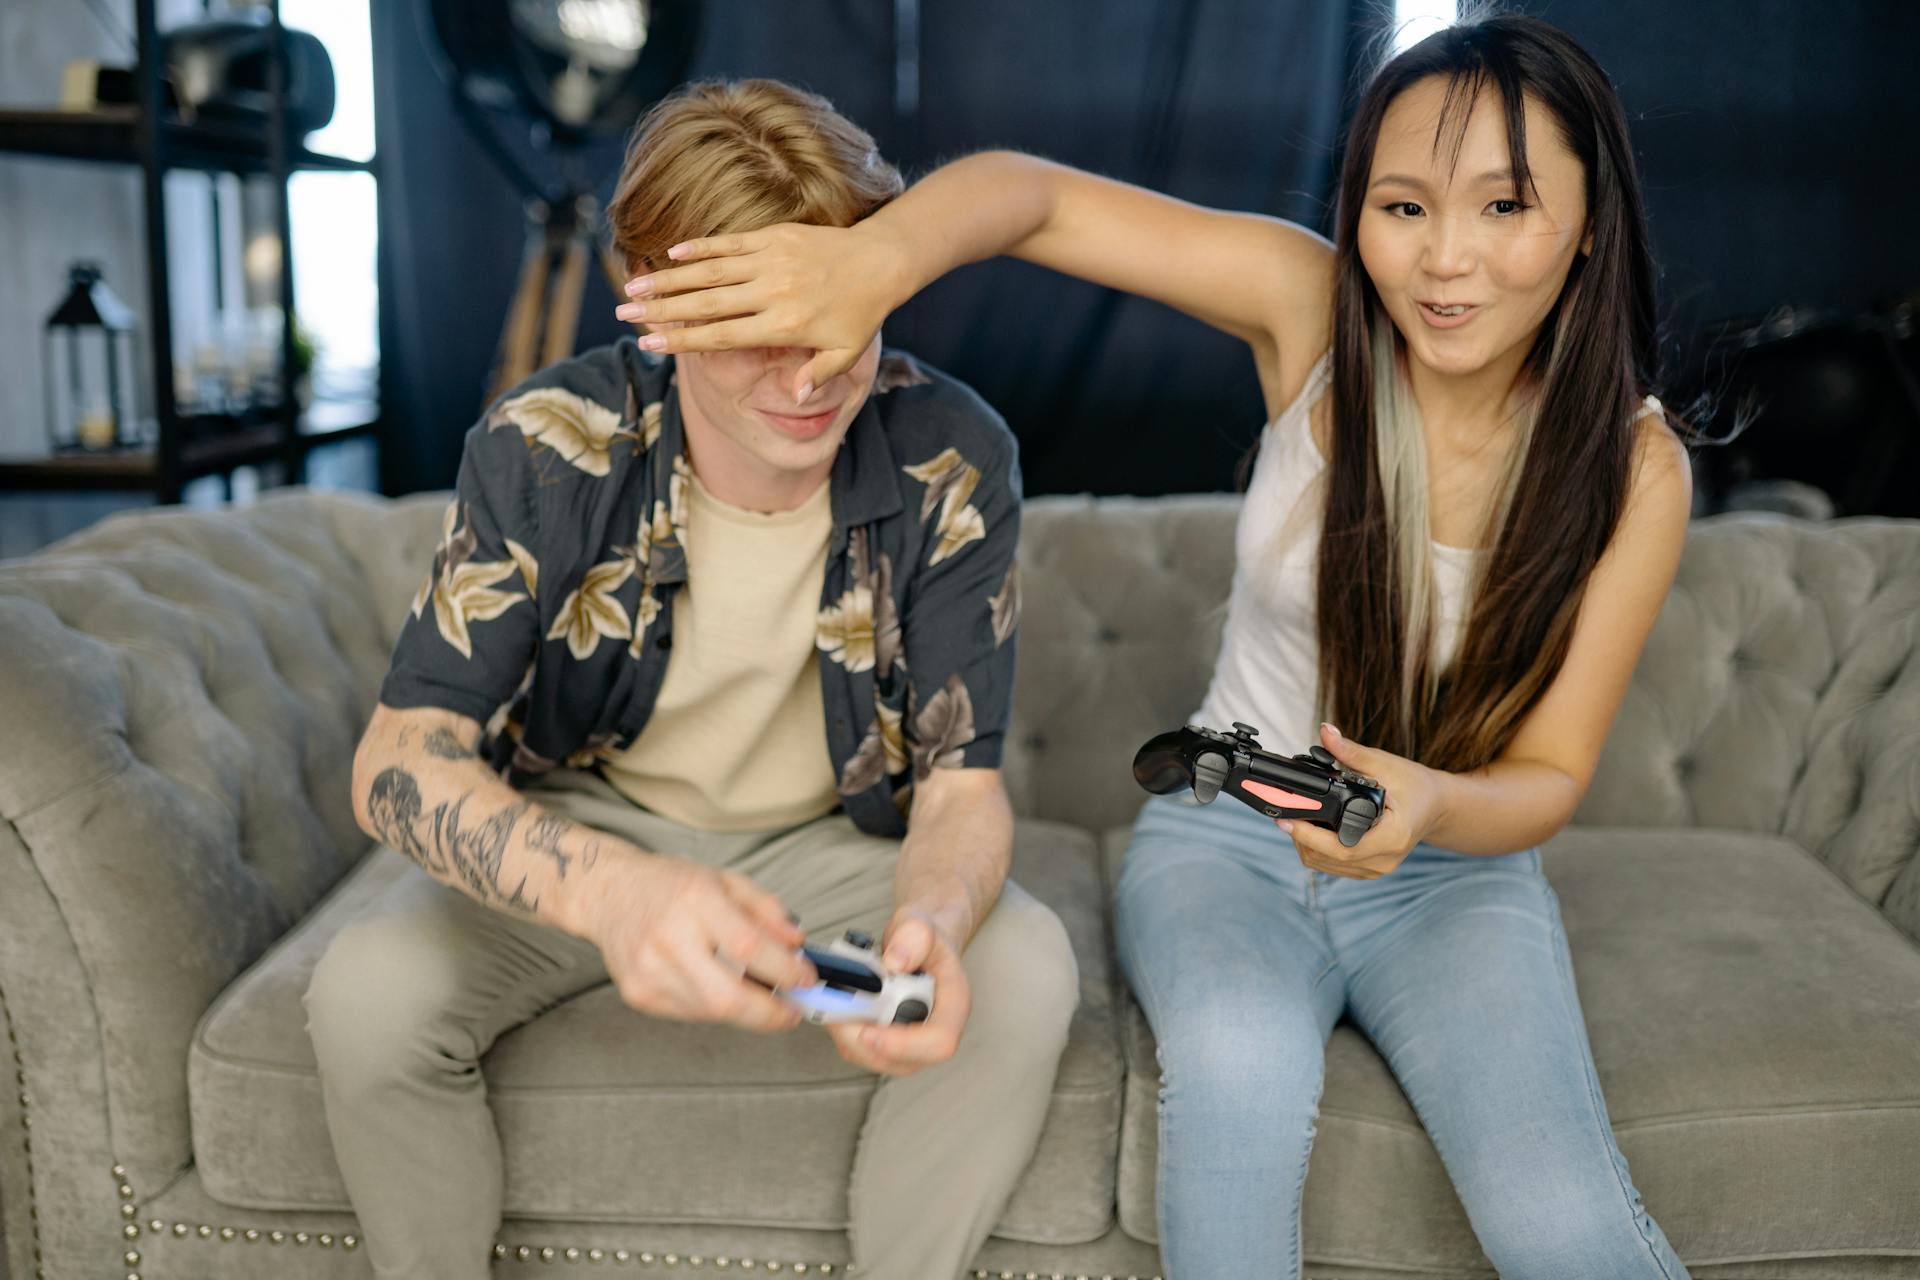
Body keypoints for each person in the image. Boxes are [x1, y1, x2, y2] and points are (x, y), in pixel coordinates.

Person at [613, 15, 1695, 1279]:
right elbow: (1033, 201)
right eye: (1404, 207)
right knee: (1235, 1095)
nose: (1445, 260)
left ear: (1585, 223)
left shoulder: (1635, 465)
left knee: (1561, 1219)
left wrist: (1433, 803)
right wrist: (875, 268)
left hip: (1451, 872)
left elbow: (1552, 774)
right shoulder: (1312, 312)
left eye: (1504, 205)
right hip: (1225, 838)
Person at [307, 78, 1079, 1280]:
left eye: (841, 314)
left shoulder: (953, 449)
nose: (813, 372)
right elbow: (398, 759)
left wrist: (930, 921)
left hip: (830, 843)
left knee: (1025, 966)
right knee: (365, 992)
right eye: (754, 329)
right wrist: (618, 895)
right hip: (589, 822)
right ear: (657, 309)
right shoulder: (545, 440)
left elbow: (961, 788)